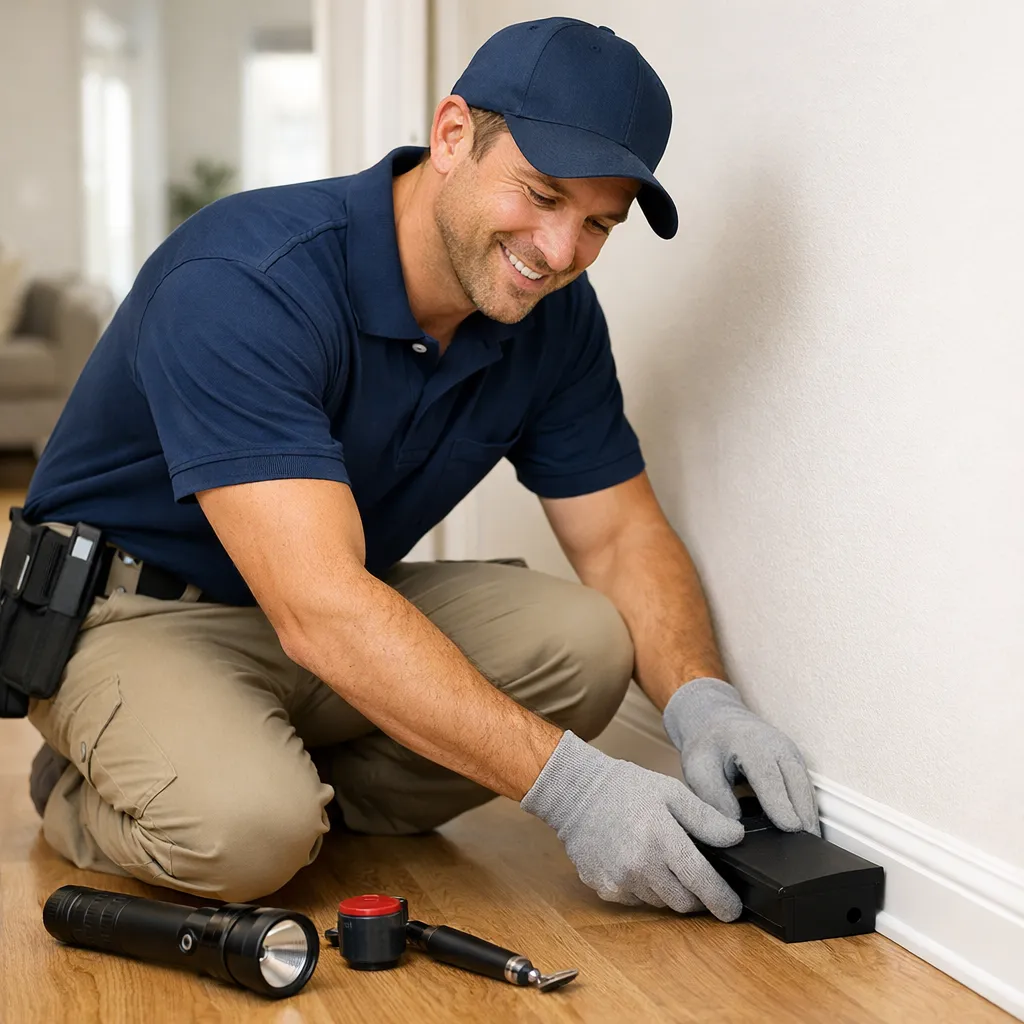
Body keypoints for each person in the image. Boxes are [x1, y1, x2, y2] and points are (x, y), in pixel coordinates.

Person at [19, 17, 818, 919]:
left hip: (327, 611)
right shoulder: (246, 277)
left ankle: (289, 784)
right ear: (451, 136)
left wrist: (704, 704)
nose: (559, 253)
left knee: (591, 645)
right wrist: (577, 791)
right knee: (250, 837)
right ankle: (89, 787)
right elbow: (320, 609)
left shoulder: (550, 316)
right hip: (135, 614)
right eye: (541, 195)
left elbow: (619, 532)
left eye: (598, 223)